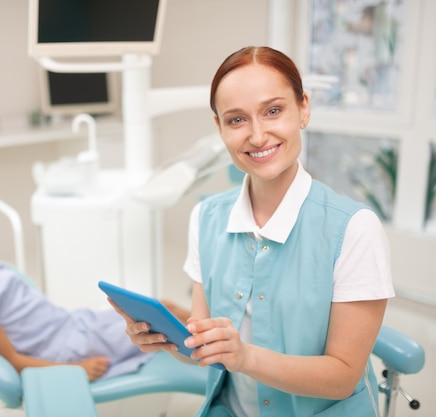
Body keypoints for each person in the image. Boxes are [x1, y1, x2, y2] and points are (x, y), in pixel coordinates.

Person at [110, 46, 395, 416]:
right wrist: (168, 338)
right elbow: (209, 353)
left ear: (303, 109)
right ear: (220, 128)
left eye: (273, 111)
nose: (258, 136)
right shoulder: (206, 219)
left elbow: (342, 376)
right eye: (236, 120)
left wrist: (244, 356)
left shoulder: (354, 229)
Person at [0, 202, 190, 381]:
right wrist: (73, 370)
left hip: (74, 323)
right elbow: (12, 361)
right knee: (164, 316)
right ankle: (217, 341)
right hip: (65, 349)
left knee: (160, 308)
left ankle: (214, 331)